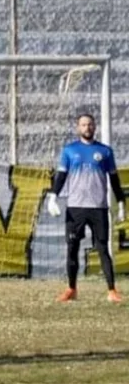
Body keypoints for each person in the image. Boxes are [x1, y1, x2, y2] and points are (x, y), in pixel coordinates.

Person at [45, 113, 125, 303]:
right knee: (72, 248)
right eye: (83, 125)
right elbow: (61, 176)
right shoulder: (70, 150)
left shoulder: (105, 151)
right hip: (75, 207)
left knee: (103, 249)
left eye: (90, 124)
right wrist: (53, 196)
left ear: (94, 127)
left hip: (98, 207)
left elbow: (114, 179)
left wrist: (121, 203)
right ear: (78, 127)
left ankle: (112, 291)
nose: (87, 127)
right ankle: (71, 289)